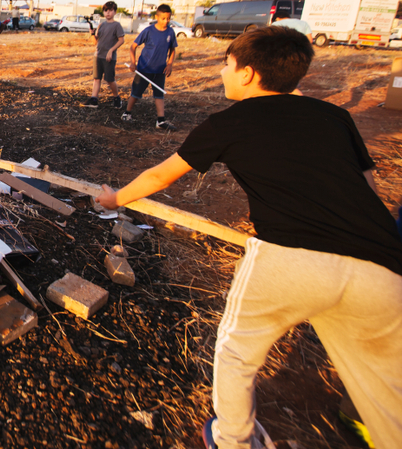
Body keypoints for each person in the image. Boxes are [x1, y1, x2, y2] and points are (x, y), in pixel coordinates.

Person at [97, 26, 402, 449]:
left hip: (289, 258)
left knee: (237, 353)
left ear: (248, 73)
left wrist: (116, 198)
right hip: (380, 266)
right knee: (384, 383)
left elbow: (160, 175)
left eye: (226, 64)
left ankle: (233, 439)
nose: (222, 72)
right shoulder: (337, 117)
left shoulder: (231, 122)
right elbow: (367, 190)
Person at [121, 4, 177, 130]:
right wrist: (133, 62)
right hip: (144, 70)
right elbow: (133, 47)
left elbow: (173, 49)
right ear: (157, 17)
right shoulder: (148, 31)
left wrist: (170, 64)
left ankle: (161, 121)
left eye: (168, 18)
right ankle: (127, 113)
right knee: (136, 93)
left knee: (159, 94)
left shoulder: (170, 32)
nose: (166, 21)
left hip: (160, 70)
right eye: (163, 18)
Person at [84, 1, 126, 109]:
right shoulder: (101, 25)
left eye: (110, 10)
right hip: (98, 55)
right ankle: (94, 99)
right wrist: (92, 34)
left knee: (110, 79)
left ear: (115, 12)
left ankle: (116, 98)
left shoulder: (117, 25)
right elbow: (95, 42)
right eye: (106, 10)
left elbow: (121, 40)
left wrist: (111, 50)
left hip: (109, 57)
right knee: (96, 78)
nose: (108, 13)